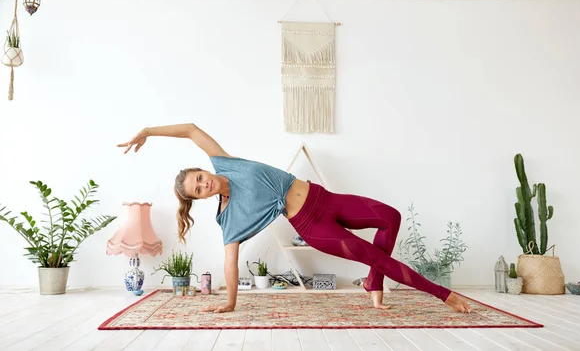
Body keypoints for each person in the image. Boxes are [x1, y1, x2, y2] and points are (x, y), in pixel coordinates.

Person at [117, 123, 472, 314]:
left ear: (201, 170)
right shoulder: (228, 217)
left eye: (198, 179)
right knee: (373, 255)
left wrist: (149, 131)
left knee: (391, 217)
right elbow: (230, 259)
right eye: (198, 191)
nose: (203, 185)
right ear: (201, 198)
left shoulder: (225, 162)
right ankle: (443, 295)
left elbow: (193, 130)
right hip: (313, 226)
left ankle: (373, 283)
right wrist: (229, 302)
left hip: (326, 199)